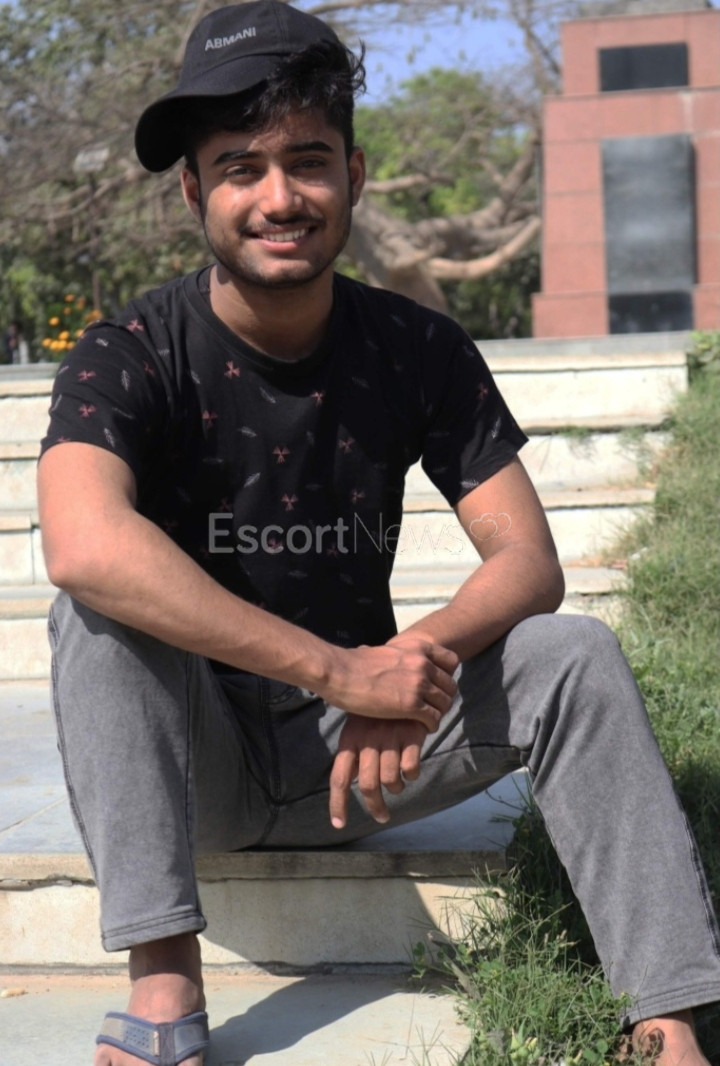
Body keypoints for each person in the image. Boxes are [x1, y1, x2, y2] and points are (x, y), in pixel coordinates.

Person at [37, 4, 720, 1065]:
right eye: (240, 168)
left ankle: (668, 1018)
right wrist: (338, 670)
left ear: (354, 175)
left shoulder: (417, 347)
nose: (279, 198)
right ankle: (164, 977)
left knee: (572, 652)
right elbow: (81, 543)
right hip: (197, 764)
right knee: (95, 613)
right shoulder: (128, 351)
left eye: (307, 162)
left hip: (362, 762)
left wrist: (407, 662)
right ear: (194, 192)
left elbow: (529, 561)